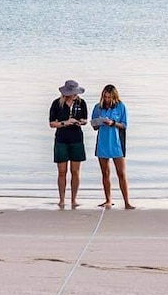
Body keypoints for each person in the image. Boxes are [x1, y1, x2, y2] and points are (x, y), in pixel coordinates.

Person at [91, 83, 135, 209]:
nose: (107, 99)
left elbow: (124, 125)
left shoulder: (121, 107)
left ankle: (127, 202)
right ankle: (108, 200)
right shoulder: (98, 107)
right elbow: (94, 127)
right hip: (102, 143)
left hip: (117, 143)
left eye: (109, 97)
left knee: (121, 173)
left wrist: (113, 123)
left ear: (114, 97)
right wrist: (98, 122)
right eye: (105, 97)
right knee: (105, 173)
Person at [49, 79, 88, 208]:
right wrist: (65, 123)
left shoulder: (81, 103)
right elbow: (52, 123)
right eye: (73, 92)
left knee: (75, 171)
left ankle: (74, 199)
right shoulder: (56, 103)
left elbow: (85, 119)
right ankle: (61, 199)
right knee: (62, 171)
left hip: (76, 139)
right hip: (61, 139)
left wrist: (79, 122)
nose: (74, 95)